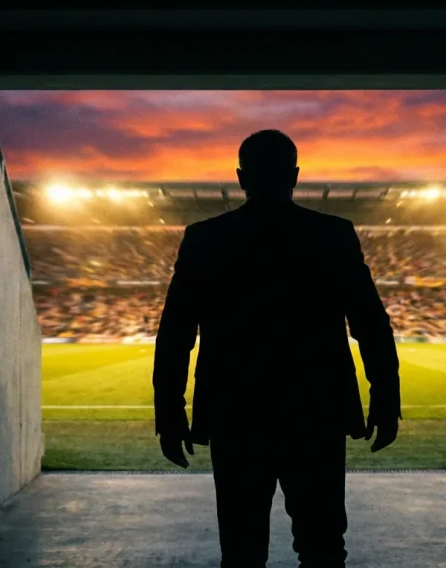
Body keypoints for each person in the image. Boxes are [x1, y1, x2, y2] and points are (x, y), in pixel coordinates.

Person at [152, 129, 402, 567]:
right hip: (316, 412)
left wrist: (170, 413)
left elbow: (175, 333)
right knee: (323, 545)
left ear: (241, 177)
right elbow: (370, 323)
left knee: (242, 548)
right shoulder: (333, 235)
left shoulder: (205, 238)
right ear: (295, 175)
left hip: (235, 413)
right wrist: (385, 396)